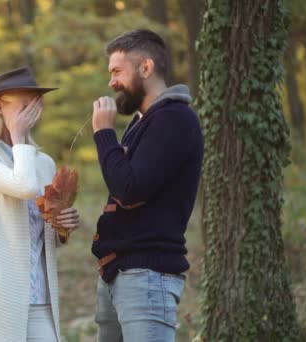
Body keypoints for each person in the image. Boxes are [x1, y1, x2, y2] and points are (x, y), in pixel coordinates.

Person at [0, 66, 80, 342]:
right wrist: (19, 136)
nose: (34, 111)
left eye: (36, 104)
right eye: (25, 104)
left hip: (40, 300)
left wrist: (62, 226)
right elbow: (24, 186)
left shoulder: (43, 163)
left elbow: (39, 235)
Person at [90, 29, 204, 341]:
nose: (111, 82)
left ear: (146, 68)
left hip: (148, 278)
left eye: (117, 71)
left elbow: (129, 188)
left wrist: (103, 134)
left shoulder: (175, 119)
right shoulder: (141, 123)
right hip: (118, 274)